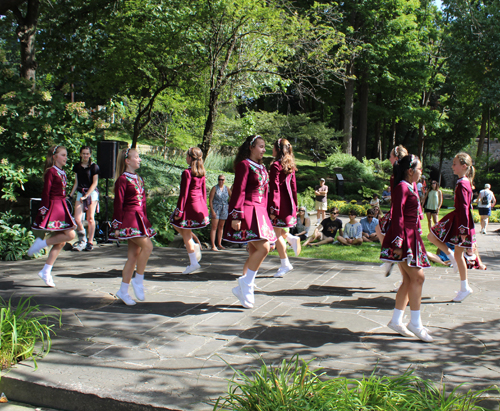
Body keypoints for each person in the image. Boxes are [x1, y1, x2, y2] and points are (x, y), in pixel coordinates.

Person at [381, 155, 432, 342]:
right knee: (418, 278)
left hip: (411, 237)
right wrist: (398, 244)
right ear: (410, 170)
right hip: (405, 239)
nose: (421, 172)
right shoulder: (403, 187)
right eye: (419, 169)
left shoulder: (409, 186)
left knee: (409, 280)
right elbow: (397, 216)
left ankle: (396, 320)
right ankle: (415, 323)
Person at [225, 135, 277, 309]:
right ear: (251, 147)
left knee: (258, 249)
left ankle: (246, 286)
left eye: (264, 147)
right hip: (248, 210)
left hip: (261, 211)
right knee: (264, 247)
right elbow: (238, 191)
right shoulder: (244, 165)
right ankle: (245, 283)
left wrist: (270, 212)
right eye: (261, 146)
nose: (264, 150)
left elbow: (266, 192)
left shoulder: (263, 168)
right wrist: (236, 215)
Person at [428, 152, 476, 302]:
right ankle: (464, 287)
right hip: (460, 221)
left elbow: (463, 207)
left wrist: (463, 230)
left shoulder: (462, 183)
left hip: (460, 222)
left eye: (455, 164)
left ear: (464, 166)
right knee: (457, 255)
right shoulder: (465, 182)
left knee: (433, 237)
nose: (452, 166)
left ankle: (464, 287)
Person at [110, 148, 155, 305]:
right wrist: (117, 225)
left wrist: (145, 221)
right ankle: (138, 279)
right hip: (129, 220)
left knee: (133, 256)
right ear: (127, 161)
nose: (140, 159)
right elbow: (118, 204)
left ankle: (123, 291)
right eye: (136, 157)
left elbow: (143, 203)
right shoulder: (122, 180)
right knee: (148, 247)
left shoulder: (139, 178)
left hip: (139, 219)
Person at [28, 145, 77, 287]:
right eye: (63, 155)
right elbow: (46, 193)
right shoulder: (51, 172)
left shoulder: (62, 172)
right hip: (55, 207)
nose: (65, 158)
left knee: (61, 242)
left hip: (62, 206)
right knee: (70, 235)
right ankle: (41, 244)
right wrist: (44, 210)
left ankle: (46, 270)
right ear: (54, 157)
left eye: (66, 155)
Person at [170, 147, 209, 274]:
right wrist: (205, 208)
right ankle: (194, 246)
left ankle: (193, 262)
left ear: (190, 158)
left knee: (184, 233)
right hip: (199, 205)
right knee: (184, 231)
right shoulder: (202, 172)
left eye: (187, 155)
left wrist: (179, 210)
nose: (185, 157)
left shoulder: (187, 173)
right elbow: (204, 193)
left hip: (188, 206)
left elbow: (184, 194)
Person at [268, 138, 301, 277]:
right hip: (288, 204)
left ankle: (285, 264)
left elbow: (275, 187)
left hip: (279, 205)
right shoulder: (290, 165)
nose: (271, 150)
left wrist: (274, 208)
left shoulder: (276, 165)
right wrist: (295, 204)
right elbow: (293, 187)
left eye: (273, 147)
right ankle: (291, 239)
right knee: (278, 231)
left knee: (276, 235)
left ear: (278, 149)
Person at [376, 145, 409, 275]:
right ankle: (389, 259)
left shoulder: (398, 176)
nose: (389, 159)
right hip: (397, 210)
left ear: (395, 157)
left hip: (400, 213)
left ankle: (390, 259)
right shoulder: (399, 174)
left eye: (390, 156)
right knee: (379, 229)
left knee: (399, 246)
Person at [69, 146, 100, 251]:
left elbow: (95, 183)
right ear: (80, 154)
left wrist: (87, 195)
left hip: (91, 193)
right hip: (80, 192)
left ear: (90, 155)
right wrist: (70, 195)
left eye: (87, 153)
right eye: (83, 153)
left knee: (90, 218)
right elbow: (76, 182)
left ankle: (90, 241)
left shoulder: (94, 167)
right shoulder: (77, 167)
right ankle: (83, 240)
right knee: (77, 218)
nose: (85, 155)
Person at [209, 174, 231, 251]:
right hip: (216, 208)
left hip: (224, 208)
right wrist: (212, 210)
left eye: (222, 180)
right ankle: (213, 245)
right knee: (214, 227)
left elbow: (231, 197)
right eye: (219, 179)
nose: (221, 181)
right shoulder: (214, 188)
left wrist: (229, 205)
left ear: (224, 180)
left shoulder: (227, 188)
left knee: (221, 227)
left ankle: (219, 243)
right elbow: (210, 200)